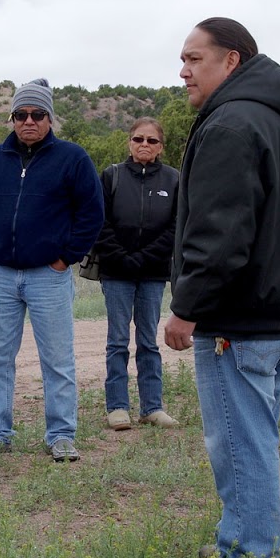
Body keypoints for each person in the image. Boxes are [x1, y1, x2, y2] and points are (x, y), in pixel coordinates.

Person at [164, 19, 280, 558]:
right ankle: (242, 538)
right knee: (254, 438)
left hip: (240, 321)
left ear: (231, 61)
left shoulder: (231, 124)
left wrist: (187, 306)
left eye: (193, 58)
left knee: (241, 446)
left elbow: (221, 234)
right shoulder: (279, 119)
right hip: (276, 316)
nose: (183, 71)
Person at [0, 79, 103, 463]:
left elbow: (92, 214)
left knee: (57, 358)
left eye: (37, 114)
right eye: (21, 114)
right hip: (0, 275)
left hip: (48, 275)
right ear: (12, 117)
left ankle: (60, 434)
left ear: (49, 118)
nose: (28, 121)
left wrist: (65, 258)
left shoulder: (73, 159)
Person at [93, 117, 179, 431]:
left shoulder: (173, 180)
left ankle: (152, 407)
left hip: (154, 273)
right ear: (129, 142)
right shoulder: (111, 176)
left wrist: (144, 258)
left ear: (161, 147)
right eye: (138, 139)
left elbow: (176, 227)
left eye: (152, 141)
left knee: (148, 341)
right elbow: (99, 222)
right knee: (117, 340)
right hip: (116, 272)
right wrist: (123, 258)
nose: (144, 145)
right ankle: (117, 407)